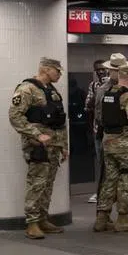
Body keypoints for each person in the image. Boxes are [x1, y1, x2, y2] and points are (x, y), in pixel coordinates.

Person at [9, 57, 69, 240]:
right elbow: (15, 116)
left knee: (47, 184)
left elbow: (60, 121)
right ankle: (32, 223)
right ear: (46, 69)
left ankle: (43, 218)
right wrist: (36, 134)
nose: (59, 74)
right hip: (38, 146)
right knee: (37, 183)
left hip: (54, 145)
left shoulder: (51, 91)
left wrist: (64, 146)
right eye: (57, 71)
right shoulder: (27, 89)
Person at [91, 54, 128, 222]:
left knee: (126, 175)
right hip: (113, 137)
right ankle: (109, 215)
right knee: (114, 177)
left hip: (122, 137)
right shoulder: (104, 89)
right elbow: (100, 115)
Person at [83, 59, 109, 204]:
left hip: (114, 131)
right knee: (101, 162)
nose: (100, 72)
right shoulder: (93, 86)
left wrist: (108, 85)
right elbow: (87, 106)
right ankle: (101, 191)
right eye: (97, 69)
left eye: (103, 69)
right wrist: (99, 91)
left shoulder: (115, 84)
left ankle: (113, 191)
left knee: (114, 162)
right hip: (98, 130)